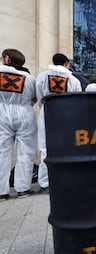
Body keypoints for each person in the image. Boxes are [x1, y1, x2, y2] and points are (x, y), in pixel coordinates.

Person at [36, 53, 82, 194]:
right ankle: (67, 179)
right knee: (67, 146)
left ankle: (45, 183)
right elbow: (77, 99)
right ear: (66, 63)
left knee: (45, 146)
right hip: (67, 113)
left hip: (48, 109)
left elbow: (39, 95)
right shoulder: (73, 80)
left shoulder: (42, 77)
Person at [0, 49, 37, 201]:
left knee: (2, 151)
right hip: (25, 112)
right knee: (26, 152)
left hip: (2, 111)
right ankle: (23, 188)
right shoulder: (30, 78)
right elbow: (35, 97)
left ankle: (2, 191)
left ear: (7, 58)